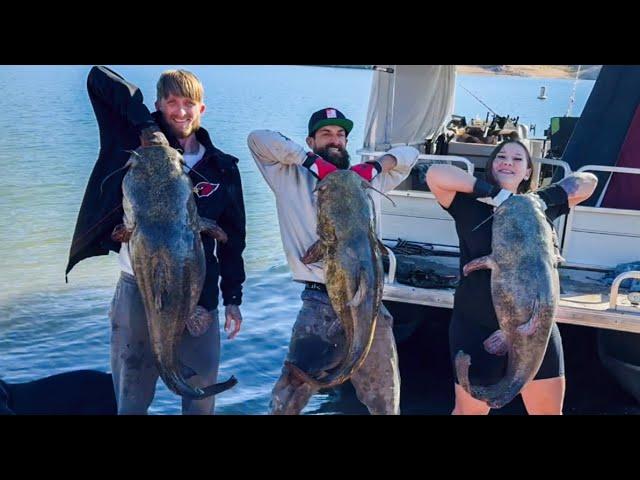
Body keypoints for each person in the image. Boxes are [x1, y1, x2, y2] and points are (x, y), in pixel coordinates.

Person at [66, 66, 246, 414]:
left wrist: (233, 297)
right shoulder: (132, 145)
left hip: (199, 290)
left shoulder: (222, 168)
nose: (180, 111)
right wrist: (147, 127)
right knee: (131, 397)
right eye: (171, 102)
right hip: (136, 288)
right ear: (158, 105)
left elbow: (233, 239)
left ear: (202, 109)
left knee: (200, 396)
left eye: (189, 103)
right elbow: (99, 76)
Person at [248, 107, 419, 414]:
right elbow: (258, 139)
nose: (335, 140)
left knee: (385, 399)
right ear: (309, 141)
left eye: (341, 135)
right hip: (319, 300)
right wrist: (311, 163)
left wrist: (375, 168)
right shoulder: (288, 177)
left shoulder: (364, 182)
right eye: (325, 134)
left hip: (369, 300)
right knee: (289, 396)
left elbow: (410, 155)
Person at [426, 139, 597, 414]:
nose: (508, 161)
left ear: (528, 171)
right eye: (501, 156)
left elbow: (589, 181)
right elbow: (435, 173)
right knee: (469, 412)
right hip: (476, 326)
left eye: (518, 159)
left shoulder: (539, 210)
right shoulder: (468, 206)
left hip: (538, 327)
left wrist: (542, 199)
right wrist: (492, 193)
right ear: (491, 166)